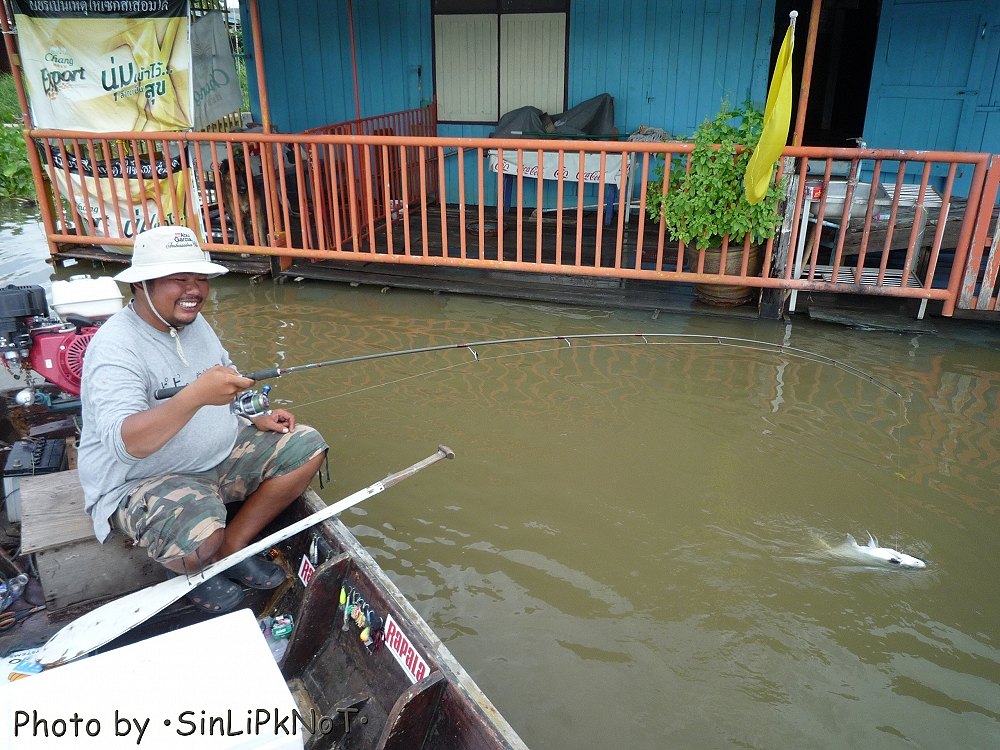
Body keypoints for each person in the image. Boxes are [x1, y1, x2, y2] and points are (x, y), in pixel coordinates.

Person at [78, 226, 328, 613]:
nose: (194, 290)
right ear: (141, 284)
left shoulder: (192, 322)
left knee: (306, 445)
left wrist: (255, 412)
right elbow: (127, 444)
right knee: (199, 543)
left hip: (219, 454)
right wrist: (193, 396)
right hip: (142, 479)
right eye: (179, 279)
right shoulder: (115, 348)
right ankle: (197, 559)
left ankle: (230, 549)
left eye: (200, 279)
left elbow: (228, 373)